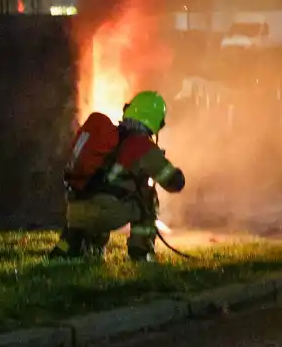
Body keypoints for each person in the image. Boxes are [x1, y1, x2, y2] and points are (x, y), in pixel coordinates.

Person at [50, 90, 186, 262]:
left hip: (74, 211)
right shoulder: (142, 146)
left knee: (105, 190)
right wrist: (177, 176)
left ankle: (83, 247)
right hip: (105, 214)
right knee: (146, 196)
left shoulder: (107, 139)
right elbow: (172, 183)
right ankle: (142, 252)